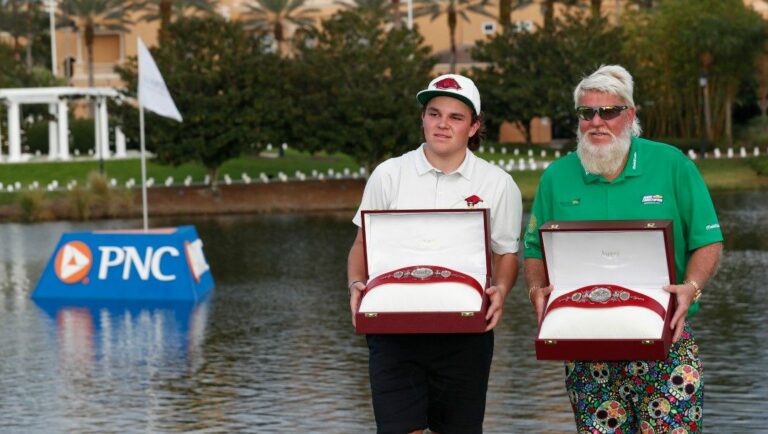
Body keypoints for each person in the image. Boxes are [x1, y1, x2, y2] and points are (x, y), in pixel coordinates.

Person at [523, 65, 723, 433]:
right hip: (585, 346)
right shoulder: (557, 176)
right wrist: (537, 290)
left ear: (629, 115)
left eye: (609, 111)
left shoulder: (671, 164)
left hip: (666, 340)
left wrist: (691, 287)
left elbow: (708, 240)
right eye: (587, 113)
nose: (597, 121)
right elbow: (534, 249)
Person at [346, 73, 523, 434]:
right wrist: (355, 283)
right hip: (393, 331)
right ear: (423, 119)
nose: (442, 124)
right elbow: (362, 244)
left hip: (465, 333)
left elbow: (506, 254)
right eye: (433, 113)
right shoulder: (389, 174)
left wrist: (501, 291)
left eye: (456, 117)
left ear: (474, 127)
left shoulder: (498, 183)